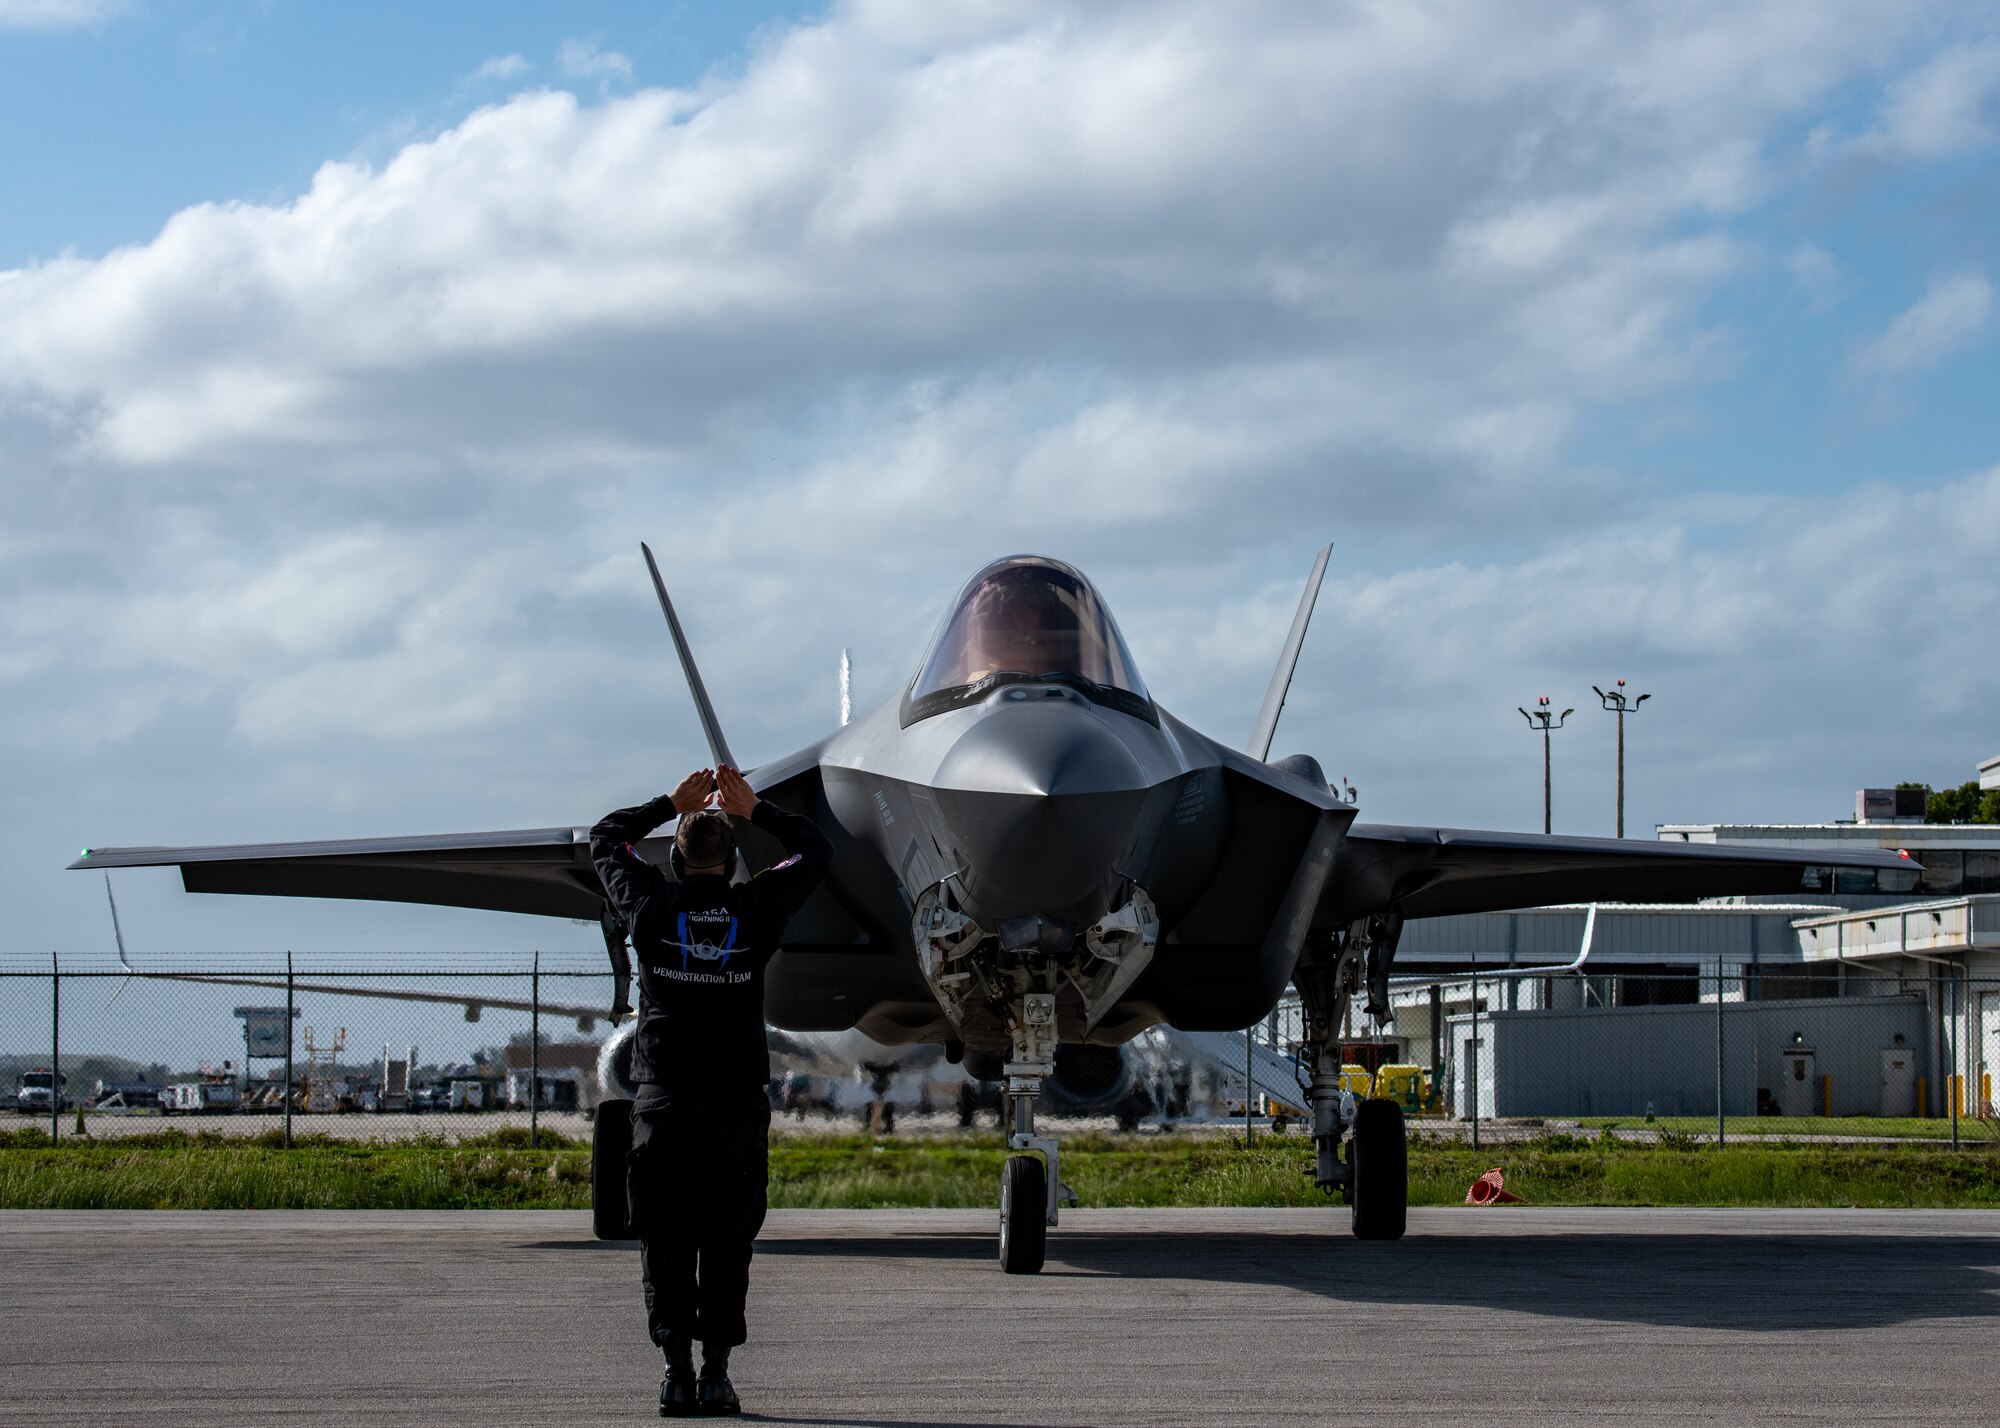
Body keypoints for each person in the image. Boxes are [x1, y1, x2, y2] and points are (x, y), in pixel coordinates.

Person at [591, 764, 833, 1418]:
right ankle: (717, 1375)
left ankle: (675, 1374)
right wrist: (758, 812)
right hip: (734, 1111)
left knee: (666, 1239)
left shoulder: (648, 903)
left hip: (662, 1108)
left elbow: (604, 840)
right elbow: (816, 852)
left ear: (672, 857)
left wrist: (668, 804)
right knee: (727, 1240)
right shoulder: (755, 909)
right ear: (731, 864)